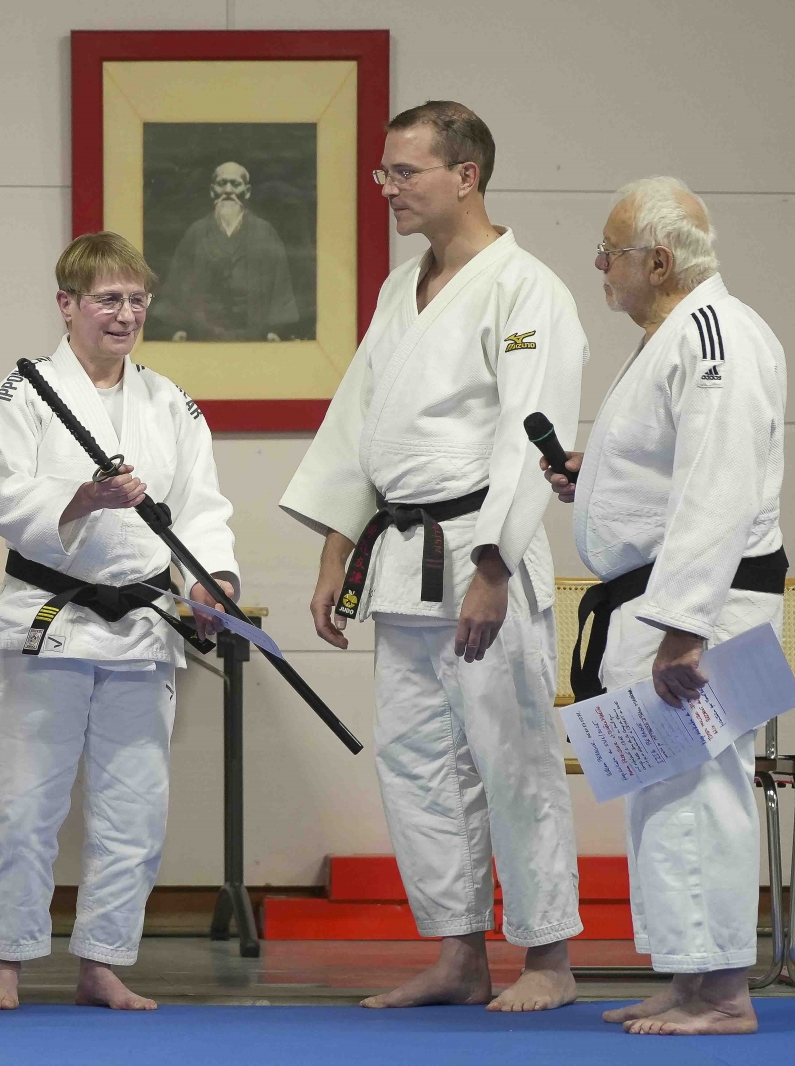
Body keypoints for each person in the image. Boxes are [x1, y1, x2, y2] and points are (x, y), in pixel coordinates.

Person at [280, 101, 588, 1012]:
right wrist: (337, 552)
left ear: (466, 175)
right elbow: (357, 428)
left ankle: (549, 958)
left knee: (513, 756)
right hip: (403, 559)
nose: (388, 188)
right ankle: (458, 955)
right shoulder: (398, 289)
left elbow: (534, 435)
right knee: (418, 763)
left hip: (482, 557)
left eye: (405, 171)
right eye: (383, 172)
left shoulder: (525, 289)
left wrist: (494, 568)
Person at [542, 176, 787, 1036]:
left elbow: (720, 487)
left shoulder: (716, 334)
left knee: (701, 795)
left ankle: (724, 995)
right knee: (662, 792)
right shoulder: (672, 337)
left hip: (703, 613)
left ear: (657, 261)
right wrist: (598, 481)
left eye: (609, 252)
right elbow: (669, 469)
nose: (599, 265)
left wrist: (684, 628)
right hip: (657, 602)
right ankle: (689, 980)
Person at [0, 231, 240, 1011]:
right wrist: (81, 498)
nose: (125, 315)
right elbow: (1, 496)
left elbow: (202, 507)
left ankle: (103, 959)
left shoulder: (169, 402)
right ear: (67, 305)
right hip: (51, 620)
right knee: (28, 802)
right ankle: (8, 959)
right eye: (108, 300)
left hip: (143, 623)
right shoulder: (23, 395)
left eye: (136, 300)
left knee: (134, 808)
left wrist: (214, 578)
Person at [158, 161, 300, 341]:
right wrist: (179, 328)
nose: (228, 190)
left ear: (247, 191)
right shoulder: (196, 233)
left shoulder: (265, 233)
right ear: (212, 191)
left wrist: (275, 330)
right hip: (204, 337)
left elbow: (280, 286)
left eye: (235, 184)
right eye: (222, 183)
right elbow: (178, 285)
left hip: (254, 338)